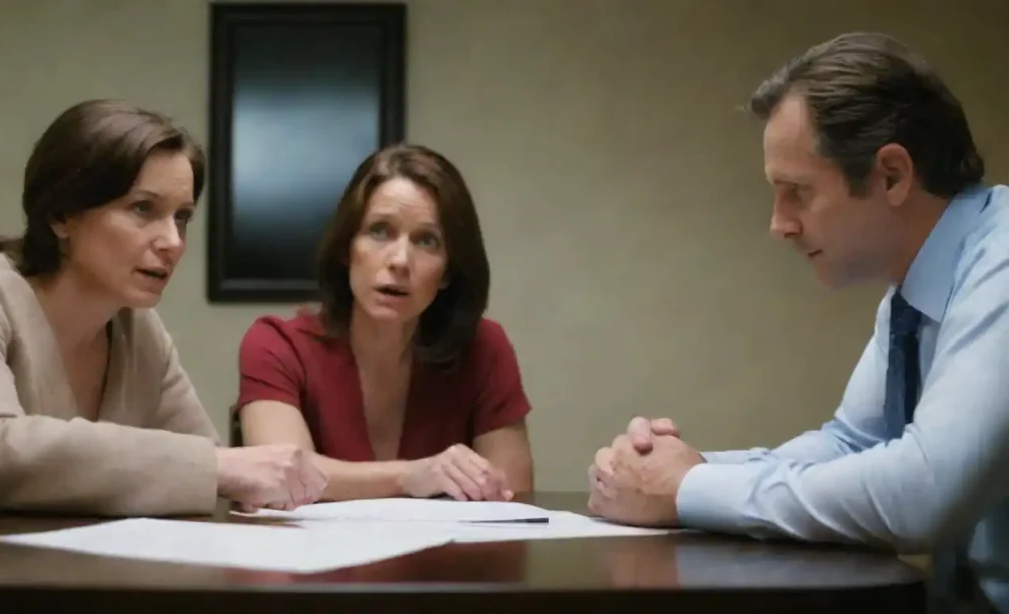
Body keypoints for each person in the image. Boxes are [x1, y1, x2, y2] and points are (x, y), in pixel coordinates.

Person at [587, 32, 1009, 613]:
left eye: (797, 193)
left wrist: (686, 490)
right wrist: (683, 468)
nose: (778, 225)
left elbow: (923, 493)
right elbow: (851, 443)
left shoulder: (1003, 261)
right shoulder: (914, 293)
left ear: (891, 175)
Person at [0, 99, 327, 517]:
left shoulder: (138, 330)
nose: (174, 242)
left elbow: (211, 476)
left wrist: (228, 473)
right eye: (142, 209)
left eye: (181, 217)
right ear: (60, 215)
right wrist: (213, 468)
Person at [235, 143, 534, 502]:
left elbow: (511, 502)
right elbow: (282, 479)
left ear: (447, 273)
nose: (400, 260)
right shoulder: (276, 345)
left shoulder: (484, 349)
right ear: (347, 249)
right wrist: (411, 476)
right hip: (318, 557)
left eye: (426, 240)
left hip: (447, 558)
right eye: (380, 231)